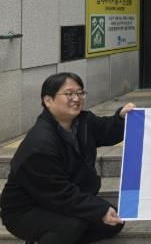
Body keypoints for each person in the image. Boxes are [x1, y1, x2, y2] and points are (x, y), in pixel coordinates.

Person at [0, 72, 135, 244]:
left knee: (113, 222)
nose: (76, 98)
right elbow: (59, 193)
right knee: (72, 225)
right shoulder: (39, 145)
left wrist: (121, 118)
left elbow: (106, 130)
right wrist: (98, 210)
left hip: (61, 199)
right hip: (26, 210)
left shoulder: (84, 121)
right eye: (69, 94)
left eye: (80, 93)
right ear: (48, 100)